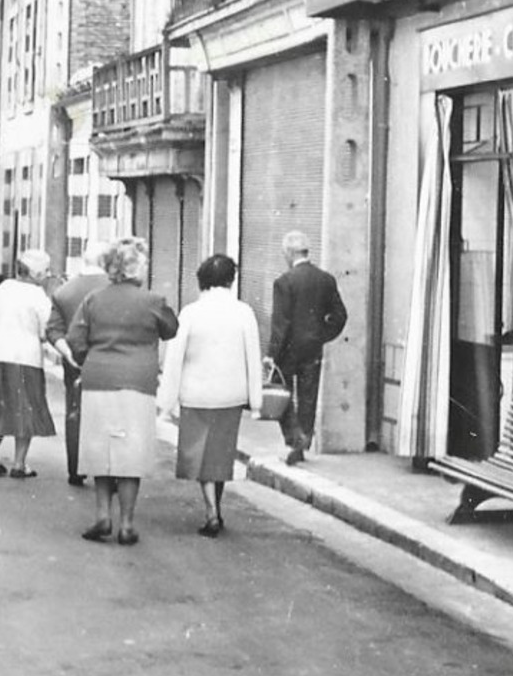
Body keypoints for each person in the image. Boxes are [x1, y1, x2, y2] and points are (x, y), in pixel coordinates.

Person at [67, 236, 178, 547]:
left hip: (99, 377)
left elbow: (76, 339)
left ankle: (103, 514)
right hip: (138, 383)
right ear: (136, 268)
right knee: (130, 454)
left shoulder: (93, 299)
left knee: (102, 450)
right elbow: (171, 329)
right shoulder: (153, 301)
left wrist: (88, 359)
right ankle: (127, 523)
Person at [158, 253, 262, 536]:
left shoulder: (191, 312)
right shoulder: (244, 312)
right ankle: (216, 505)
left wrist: (166, 402)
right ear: (232, 279)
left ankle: (211, 511)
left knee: (199, 453)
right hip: (231, 394)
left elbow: (174, 358)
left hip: (196, 394)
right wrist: (256, 400)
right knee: (220, 453)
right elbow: (253, 356)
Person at [268, 230, 347, 466]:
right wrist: (322, 335)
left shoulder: (284, 282)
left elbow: (280, 324)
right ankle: (303, 442)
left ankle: (294, 439)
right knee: (308, 397)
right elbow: (340, 316)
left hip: (288, 350)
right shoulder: (326, 279)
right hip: (313, 348)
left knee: (283, 396)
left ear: (290, 253)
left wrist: (271, 355)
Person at [0, 249, 57, 479]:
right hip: (26, 358)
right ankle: (19, 463)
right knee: (26, 408)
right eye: (46, 271)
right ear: (37, 273)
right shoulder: (39, 296)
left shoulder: (3, 288)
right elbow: (46, 331)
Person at [46, 241, 110, 488]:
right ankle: (105, 470)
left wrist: (68, 353)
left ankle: (76, 468)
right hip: (107, 361)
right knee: (106, 415)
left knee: (75, 413)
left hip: (75, 362)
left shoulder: (64, 291)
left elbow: (53, 330)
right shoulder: (112, 289)